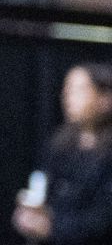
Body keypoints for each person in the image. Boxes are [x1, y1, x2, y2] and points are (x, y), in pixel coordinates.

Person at [14, 62, 112, 244]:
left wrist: (53, 228)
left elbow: (102, 218)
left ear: (104, 98)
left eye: (79, 90)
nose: (68, 97)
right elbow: (42, 187)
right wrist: (30, 213)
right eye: (67, 90)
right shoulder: (59, 144)